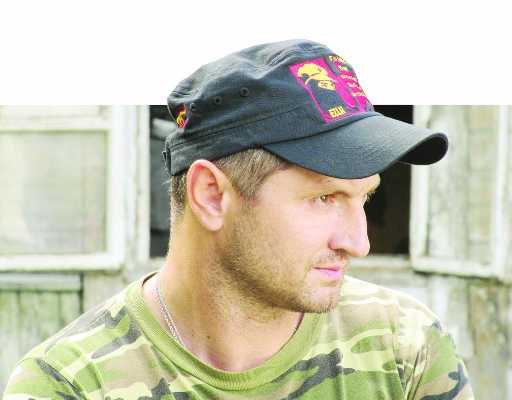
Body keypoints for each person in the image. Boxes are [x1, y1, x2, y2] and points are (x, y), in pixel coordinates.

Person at [3, 39, 474, 399]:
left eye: (364, 198)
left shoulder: (402, 346)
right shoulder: (71, 384)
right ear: (211, 195)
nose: (358, 242)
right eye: (324, 198)